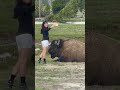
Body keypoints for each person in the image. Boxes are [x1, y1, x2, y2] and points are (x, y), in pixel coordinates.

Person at [8, 0, 34, 89]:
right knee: (23, 61)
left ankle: (11, 80)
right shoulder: (24, 8)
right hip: (26, 36)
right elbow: (31, 9)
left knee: (20, 60)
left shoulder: (19, 8)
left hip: (20, 36)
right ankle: (22, 83)